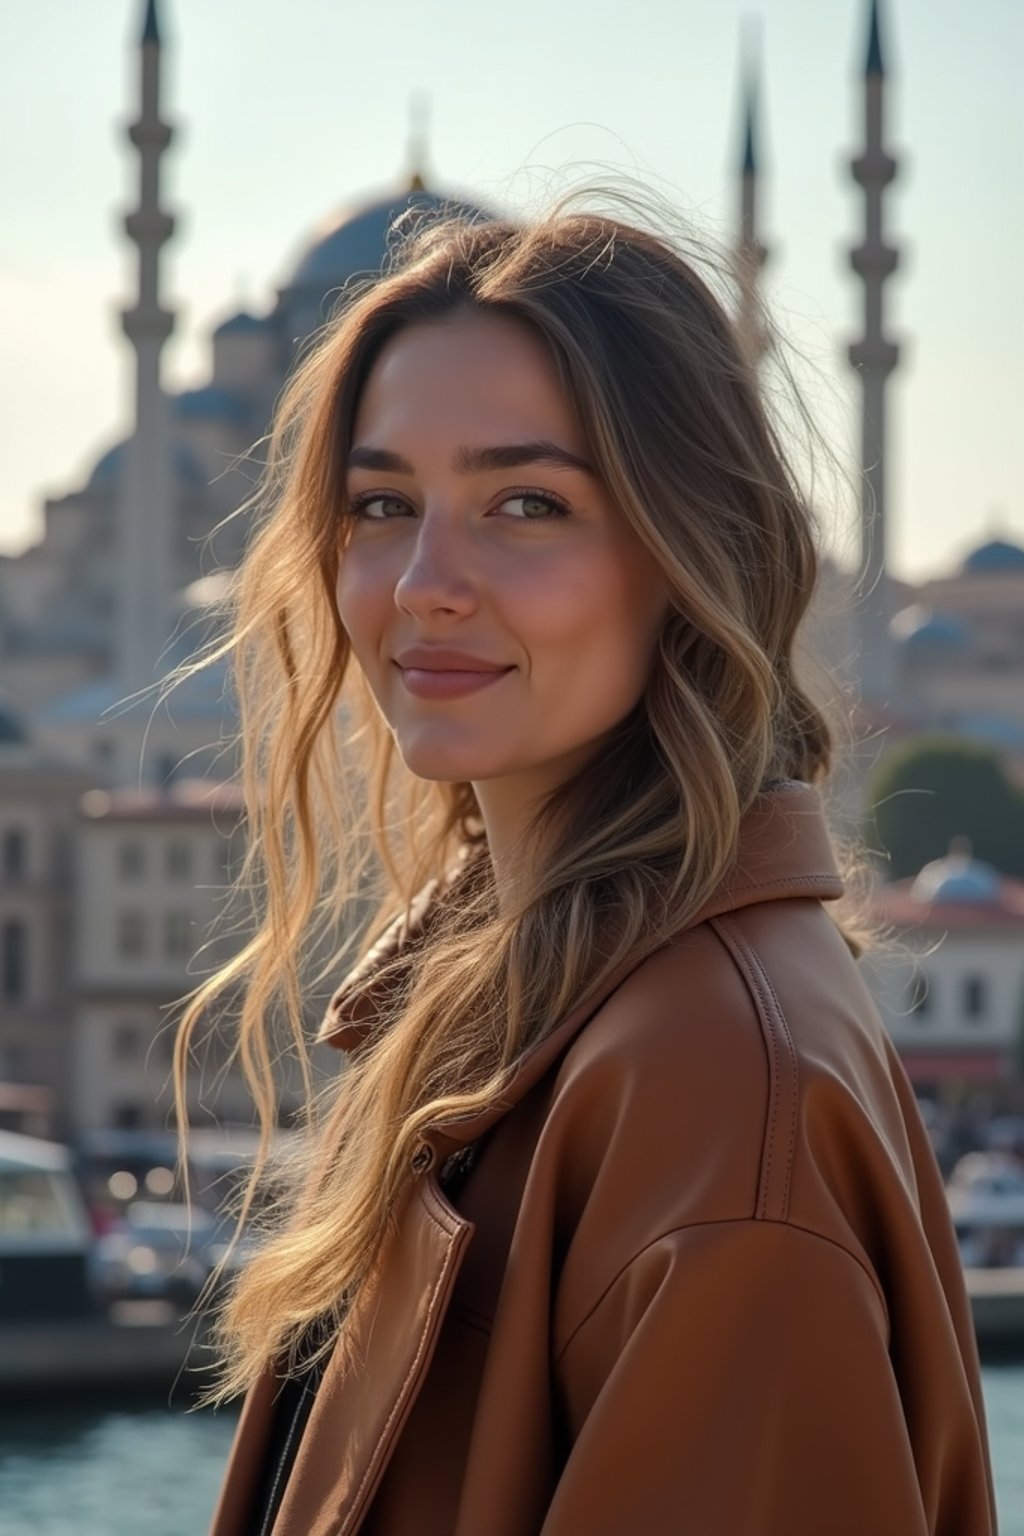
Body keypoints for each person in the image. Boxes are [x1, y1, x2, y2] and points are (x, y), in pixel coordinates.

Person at [190, 196, 997, 1535]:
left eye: (527, 503)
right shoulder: (510, 1005)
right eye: (382, 503)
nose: (427, 580)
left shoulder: (719, 1094)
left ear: (691, 551)